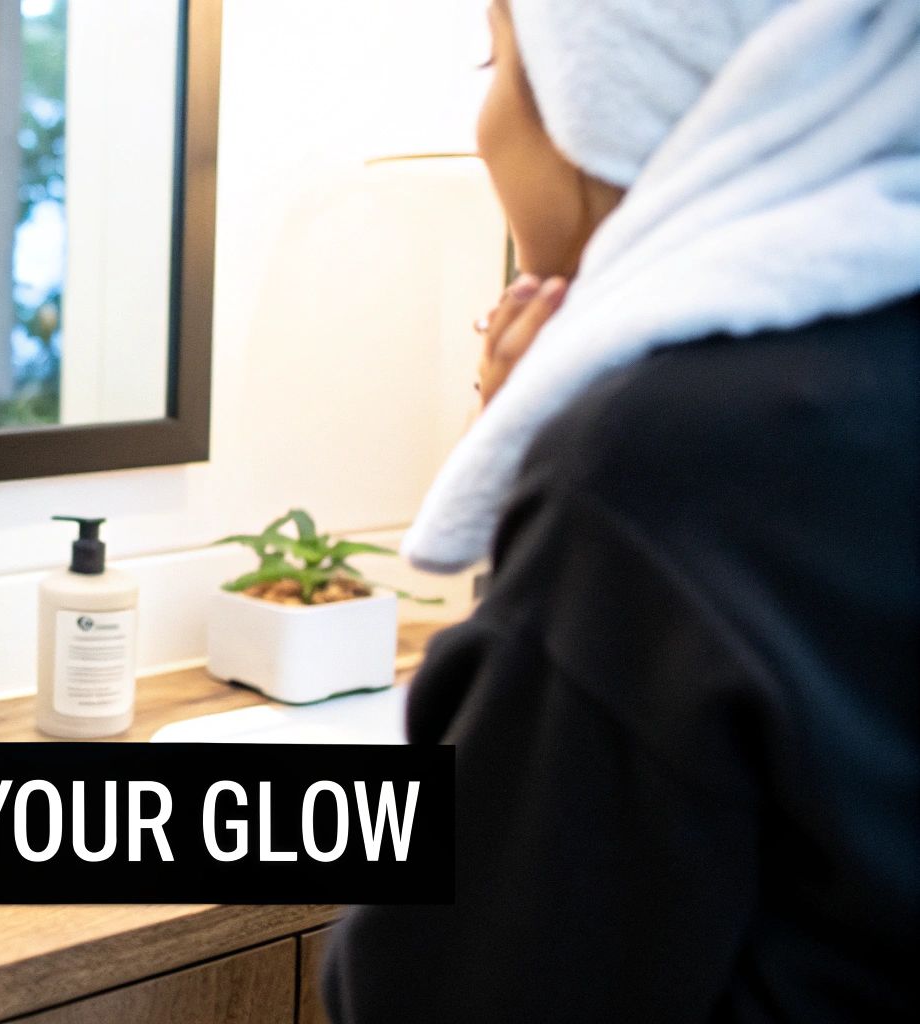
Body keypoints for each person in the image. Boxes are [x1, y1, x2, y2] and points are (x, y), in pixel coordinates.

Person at [324, 0, 918, 1020]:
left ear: (599, 98)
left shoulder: (662, 461)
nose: (485, 124)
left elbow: (434, 991)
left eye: (494, 61)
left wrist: (549, 478)